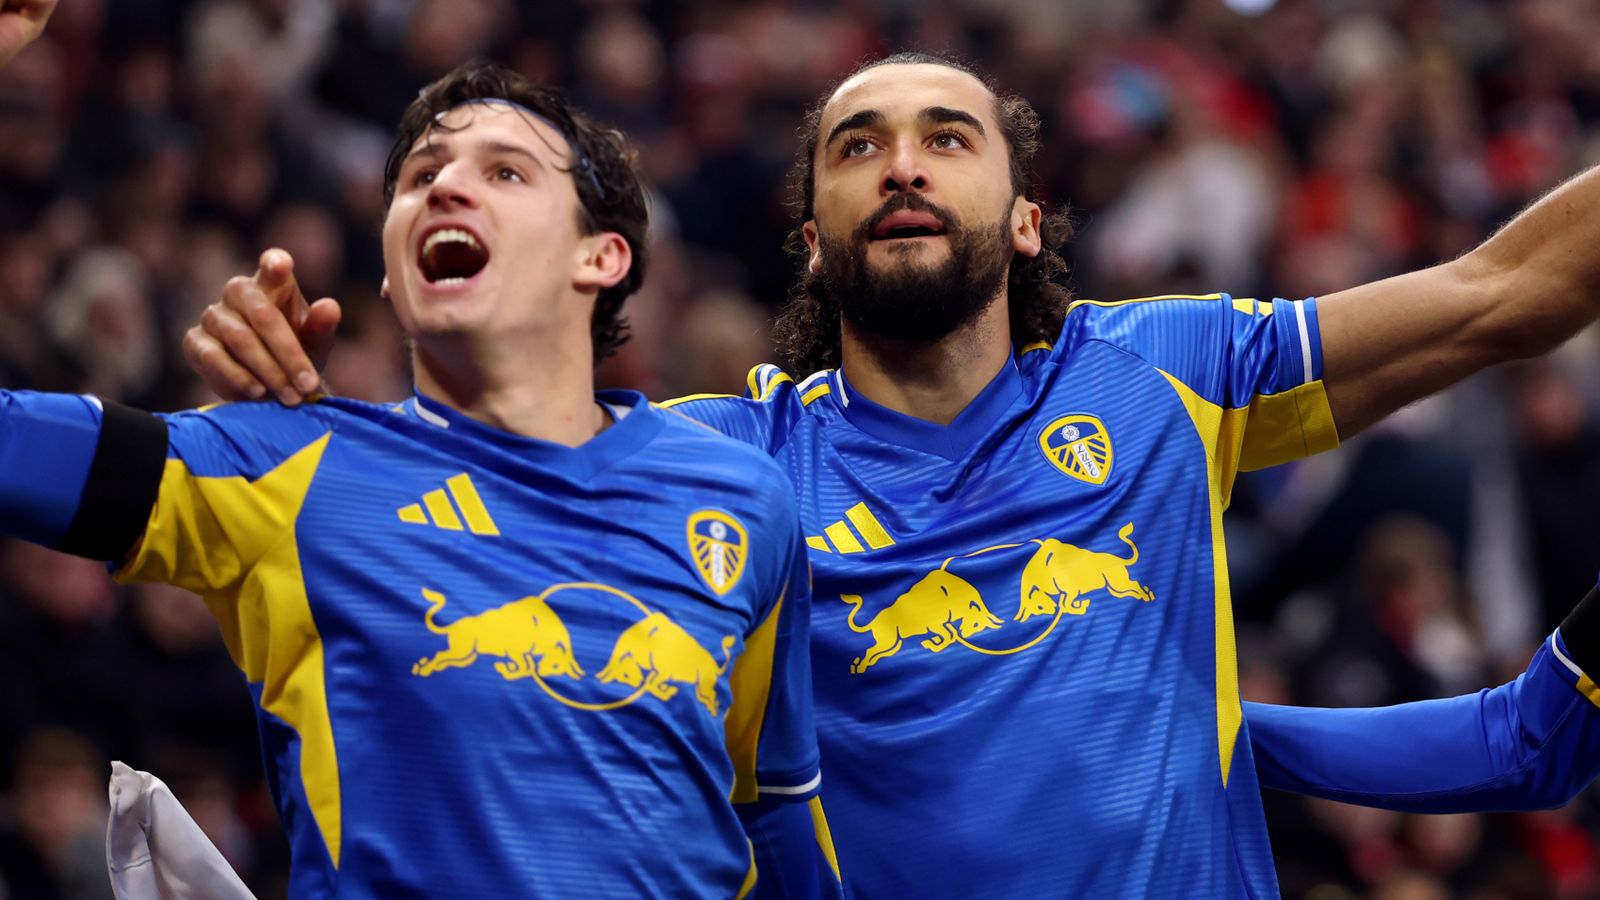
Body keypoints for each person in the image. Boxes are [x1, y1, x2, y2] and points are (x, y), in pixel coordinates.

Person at [188, 52, 1600, 899]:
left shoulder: (1166, 377)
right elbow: (464, 487)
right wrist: (306, 431)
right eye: (857, 149)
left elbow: (1510, 293)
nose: (903, 166)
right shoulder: (721, 468)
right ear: (812, 236)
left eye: (948, 138)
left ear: (1028, 213)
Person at [0, 8, 828, 897]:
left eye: (505, 172)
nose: (444, 189)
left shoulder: (741, 498)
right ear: (393, 274)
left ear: (602, 256)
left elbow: (771, 810)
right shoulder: (286, 468)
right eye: (421, 176)